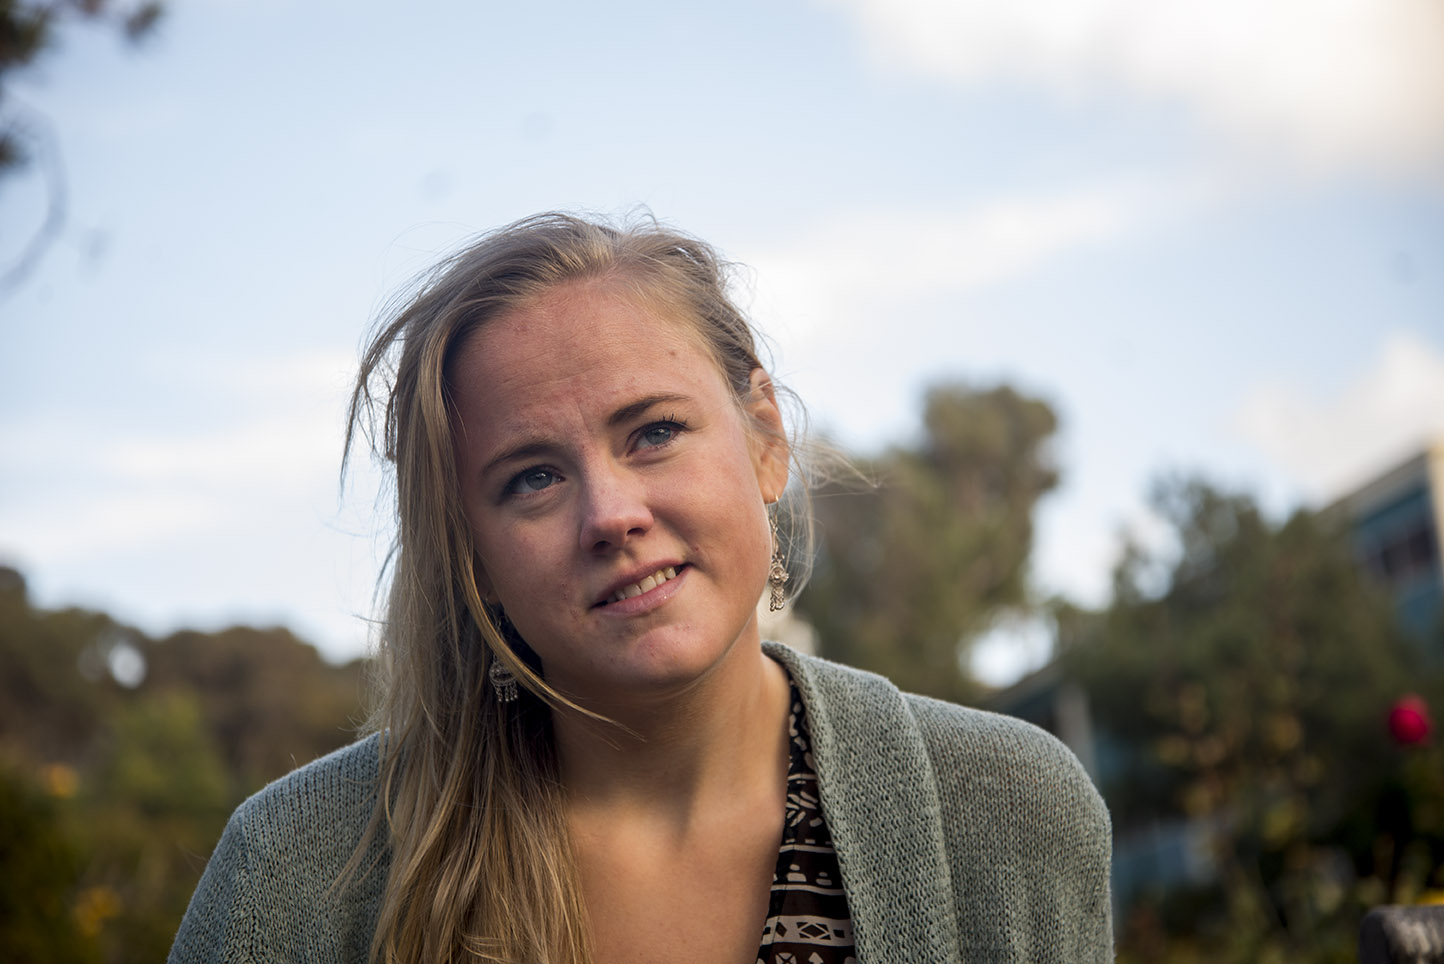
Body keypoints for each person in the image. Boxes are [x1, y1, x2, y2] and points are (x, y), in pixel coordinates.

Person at [168, 212, 1114, 964]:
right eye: (532, 478)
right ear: (471, 555)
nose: (611, 515)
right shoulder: (294, 872)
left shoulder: (1005, 811)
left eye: (654, 432)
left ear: (765, 437)